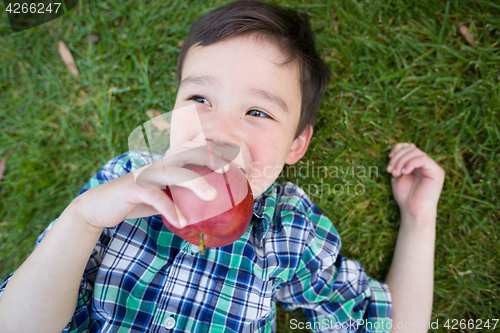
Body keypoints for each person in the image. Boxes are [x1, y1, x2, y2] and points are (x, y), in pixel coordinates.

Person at [0, 0, 445, 332]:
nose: (218, 133)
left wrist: (419, 219)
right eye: (199, 99)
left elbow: (385, 324)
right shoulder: (125, 183)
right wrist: (84, 217)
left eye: (257, 112)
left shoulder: (286, 228)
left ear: (296, 145)